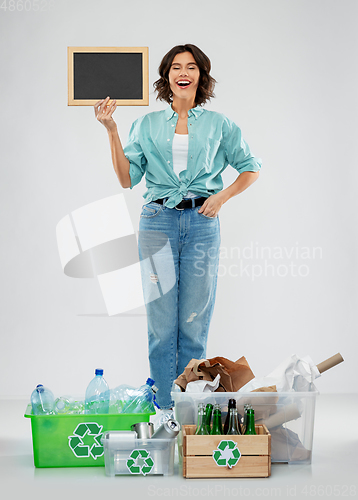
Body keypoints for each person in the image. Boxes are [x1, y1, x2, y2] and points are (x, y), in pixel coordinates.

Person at [94, 44, 261, 410]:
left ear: (201, 75)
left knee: (194, 319)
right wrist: (111, 130)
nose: (182, 72)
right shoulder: (147, 124)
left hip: (202, 224)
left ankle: (189, 406)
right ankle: (162, 408)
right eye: (175, 67)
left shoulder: (220, 125)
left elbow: (251, 167)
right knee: (161, 322)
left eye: (191, 66)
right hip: (158, 222)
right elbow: (127, 179)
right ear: (166, 76)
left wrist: (222, 197)